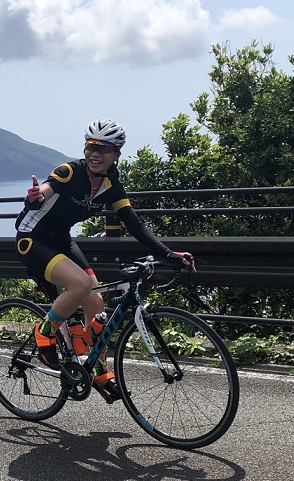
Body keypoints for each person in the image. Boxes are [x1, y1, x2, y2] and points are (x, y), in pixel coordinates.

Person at [16, 118, 195, 396]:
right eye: (91, 146)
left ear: (116, 154)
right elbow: (46, 189)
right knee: (80, 285)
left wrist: (169, 254)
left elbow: (134, 224)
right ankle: (44, 331)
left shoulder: (111, 184)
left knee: (96, 302)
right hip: (32, 240)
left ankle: (96, 369)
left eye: (104, 148)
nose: (95, 153)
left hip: (61, 240)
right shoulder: (69, 172)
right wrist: (36, 196)